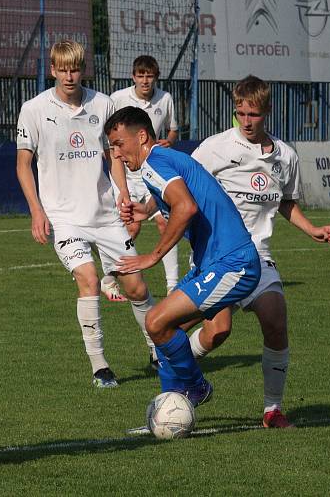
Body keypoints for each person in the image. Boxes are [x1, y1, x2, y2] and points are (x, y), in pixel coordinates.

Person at [189, 75, 330, 428]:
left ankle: (272, 409)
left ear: (267, 111)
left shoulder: (285, 156)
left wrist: (313, 229)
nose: (246, 120)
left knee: (275, 317)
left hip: (258, 254)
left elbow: (287, 204)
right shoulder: (216, 147)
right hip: (218, 254)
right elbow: (182, 182)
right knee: (218, 331)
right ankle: (177, 366)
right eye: (240, 112)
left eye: (253, 114)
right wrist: (152, 209)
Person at [15, 40, 156, 387]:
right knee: (89, 280)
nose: (69, 76)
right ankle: (100, 366)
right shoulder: (33, 109)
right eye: (62, 69)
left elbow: (114, 155)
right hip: (65, 218)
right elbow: (23, 165)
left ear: (83, 69)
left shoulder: (103, 104)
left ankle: (158, 351)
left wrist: (123, 194)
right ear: (52, 69)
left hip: (106, 215)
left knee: (136, 287)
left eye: (75, 68)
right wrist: (36, 210)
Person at [106, 106, 261, 407]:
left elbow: (185, 207)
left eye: (119, 144)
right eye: (112, 146)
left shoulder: (154, 162)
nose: (117, 153)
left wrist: (153, 255)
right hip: (214, 262)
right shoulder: (162, 160)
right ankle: (170, 407)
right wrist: (147, 209)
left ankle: (196, 387)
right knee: (162, 328)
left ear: (141, 136)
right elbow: (180, 194)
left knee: (155, 322)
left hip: (233, 263)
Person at [108, 55, 181, 298]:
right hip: (127, 174)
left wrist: (168, 141)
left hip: (152, 170)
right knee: (131, 228)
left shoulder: (166, 99)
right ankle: (111, 276)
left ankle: (172, 285)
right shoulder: (117, 99)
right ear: (133, 77)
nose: (145, 80)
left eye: (149, 75)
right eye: (140, 75)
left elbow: (173, 129)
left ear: (155, 77)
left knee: (165, 223)